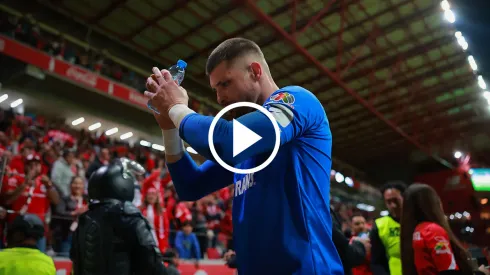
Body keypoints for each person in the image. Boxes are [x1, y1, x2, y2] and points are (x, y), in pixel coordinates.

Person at [145, 37, 343, 274]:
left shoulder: (297, 100)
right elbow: (190, 185)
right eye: (215, 89)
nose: (219, 98)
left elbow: (229, 141)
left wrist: (177, 108)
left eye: (225, 84)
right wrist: (169, 128)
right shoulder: (246, 145)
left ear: (255, 71)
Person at [70, 158, 167, 275]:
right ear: (125, 185)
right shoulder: (130, 218)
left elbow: (74, 258)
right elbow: (154, 265)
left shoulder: (84, 219)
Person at [400, 183, 490, 275]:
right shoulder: (432, 231)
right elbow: (448, 272)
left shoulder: (415, 232)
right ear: (433, 203)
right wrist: (481, 273)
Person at [370, 181, 405, 275]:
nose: (393, 205)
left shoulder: (417, 222)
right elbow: (376, 262)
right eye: (388, 202)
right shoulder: (379, 225)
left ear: (404, 198)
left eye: (396, 200)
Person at [331, 206, 370, 275]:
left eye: (363, 223)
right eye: (357, 224)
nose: (361, 226)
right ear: (351, 225)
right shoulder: (346, 243)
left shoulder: (370, 241)